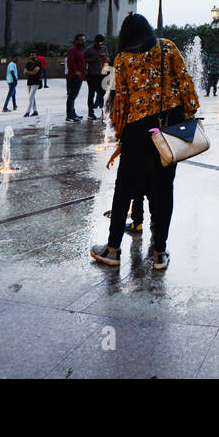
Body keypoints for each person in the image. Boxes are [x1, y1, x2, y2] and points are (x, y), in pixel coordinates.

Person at [90, 14, 199, 271]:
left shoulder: (122, 59)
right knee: (164, 189)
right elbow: (186, 85)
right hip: (168, 127)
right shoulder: (168, 47)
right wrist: (189, 115)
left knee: (124, 188)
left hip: (137, 129)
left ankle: (113, 249)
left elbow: (121, 102)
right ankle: (160, 253)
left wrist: (120, 137)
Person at [85, 33, 109, 119]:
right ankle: (90, 113)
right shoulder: (89, 49)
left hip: (102, 74)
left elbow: (108, 59)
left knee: (102, 93)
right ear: (95, 41)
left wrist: (106, 59)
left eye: (101, 43)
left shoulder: (104, 48)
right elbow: (84, 60)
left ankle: (103, 111)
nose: (100, 45)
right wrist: (95, 59)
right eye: (99, 43)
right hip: (92, 74)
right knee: (91, 93)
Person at [65, 33, 86, 122]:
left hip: (79, 77)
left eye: (84, 40)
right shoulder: (72, 50)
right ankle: (69, 116)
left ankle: (73, 113)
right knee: (72, 96)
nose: (83, 41)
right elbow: (70, 61)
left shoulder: (80, 50)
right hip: (74, 77)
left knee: (74, 96)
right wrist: (76, 71)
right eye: (81, 40)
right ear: (76, 41)